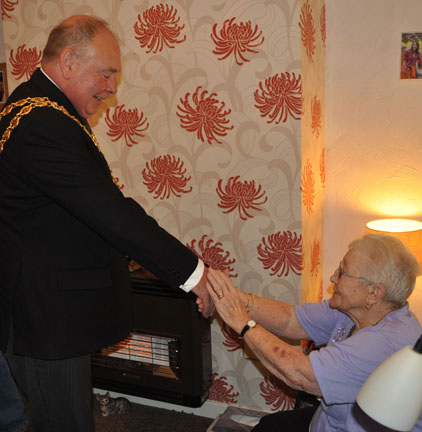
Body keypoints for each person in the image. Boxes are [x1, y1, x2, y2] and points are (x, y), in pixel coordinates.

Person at [0, 14, 213, 432]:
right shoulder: (44, 122)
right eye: (106, 73)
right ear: (68, 62)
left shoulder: (33, 107)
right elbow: (112, 213)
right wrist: (193, 273)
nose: (112, 87)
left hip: (41, 308)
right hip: (47, 322)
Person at [206, 234, 422, 431]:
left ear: (373, 292)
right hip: (329, 421)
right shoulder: (353, 310)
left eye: (343, 272)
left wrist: (242, 323)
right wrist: (230, 297)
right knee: (270, 425)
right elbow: (290, 319)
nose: (333, 277)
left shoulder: (382, 344)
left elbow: (301, 375)